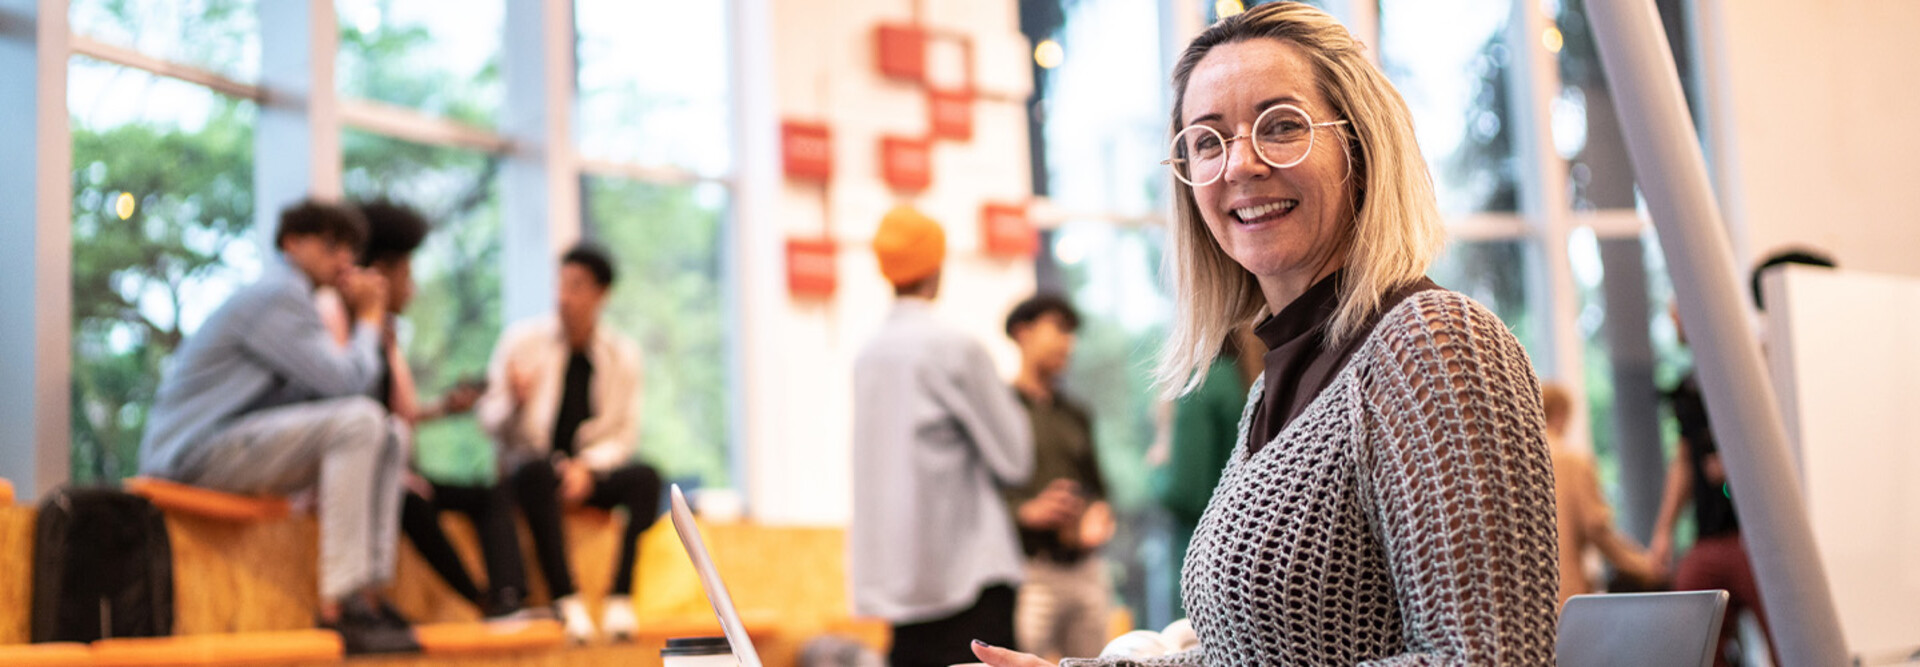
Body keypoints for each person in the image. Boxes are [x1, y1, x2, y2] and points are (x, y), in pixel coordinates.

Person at [972, 4, 1557, 664]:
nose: (1240, 164)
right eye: (1208, 141)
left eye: (1282, 127)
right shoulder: (1279, 380)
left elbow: (1486, 657)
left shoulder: (1435, 344)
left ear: (1359, 147)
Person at [138, 199, 415, 654]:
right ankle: (340, 605)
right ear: (291, 244)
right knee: (361, 420)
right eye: (330, 245)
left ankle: (370, 595)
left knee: (389, 431)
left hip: (230, 444)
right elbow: (345, 383)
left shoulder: (296, 300)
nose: (343, 259)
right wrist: (368, 319)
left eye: (349, 249)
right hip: (189, 453)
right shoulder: (278, 295)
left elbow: (310, 400)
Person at [322, 200, 528, 620]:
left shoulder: (385, 331)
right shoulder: (338, 320)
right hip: (364, 475)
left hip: (395, 466)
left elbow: (401, 413)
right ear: (379, 272)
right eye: (407, 276)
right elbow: (346, 401)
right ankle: (478, 602)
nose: (412, 289)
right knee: (410, 501)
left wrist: (446, 408)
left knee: (489, 494)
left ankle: (509, 599)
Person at [850, 205, 1034, 667]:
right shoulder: (954, 348)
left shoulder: (867, 356)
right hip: (969, 576)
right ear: (935, 266)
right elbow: (1016, 459)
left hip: (904, 586)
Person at [474, 243, 660, 644]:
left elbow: (624, 435)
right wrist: (514, 400)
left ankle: (620, 597)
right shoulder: (522, 341)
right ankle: (566, 597)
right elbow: (487, 421)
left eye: (576, 287)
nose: (564, 296)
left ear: (600, 294)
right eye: (561, 284)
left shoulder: (622, 355)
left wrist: (587, 468)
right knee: (538, 472)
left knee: (648, 477)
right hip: (535, 471)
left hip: (587, 471)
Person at [1002, 295, 1114, 661]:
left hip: (1085, 570)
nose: (1068, 343)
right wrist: (1025, 511)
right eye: (1058, 330)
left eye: (1071, 333)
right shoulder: (999, 411)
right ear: (1023, 333)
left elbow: (1098, 486)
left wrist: (1097, 514)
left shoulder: (1076, 414)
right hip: (1029, 572)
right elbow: (979, 495)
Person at [1146, 327, 1259, 619]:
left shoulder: (1201, 383)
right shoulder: (1250, 379)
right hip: (1247, 561)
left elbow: (1185, 492)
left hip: (1203, 562)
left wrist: (1158, 466)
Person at [1540, 383, 1657, 605]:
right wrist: (1643, 565)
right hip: (1564, 596)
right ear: (1559, 414)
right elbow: (1597, 529)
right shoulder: (1572, 462)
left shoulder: (1509, 462)